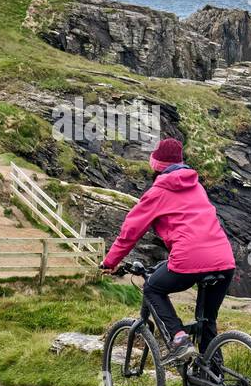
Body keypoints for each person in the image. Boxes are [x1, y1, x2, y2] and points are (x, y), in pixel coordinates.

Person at [100, 137, 236, 363]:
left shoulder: (158, 191)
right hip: (224, 259)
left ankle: (179, 339)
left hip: (189, 260)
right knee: (207, 323)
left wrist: (110, 261)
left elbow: (130, 231)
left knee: (152, 289)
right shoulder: (197, 186)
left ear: (156, 166)